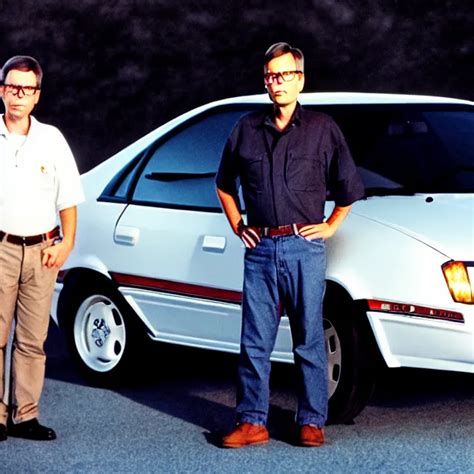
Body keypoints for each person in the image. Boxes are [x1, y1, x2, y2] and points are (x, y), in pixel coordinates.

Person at [216, 42, 364, 448]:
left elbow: (349, 187)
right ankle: (252, 421)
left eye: (284, 75)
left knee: (309, 338)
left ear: (300, 79)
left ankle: (312, 421)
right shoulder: (246, 129)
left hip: (303, 249)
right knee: (254, 341)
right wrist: (237, 224)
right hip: (261, 249)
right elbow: (224, 185)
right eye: (270, 76)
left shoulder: (322, 129)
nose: (276, 83)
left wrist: (331, 225)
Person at [0, 56, 84, 441]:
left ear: (37, 96)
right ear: (2, 90)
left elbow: (68, 196)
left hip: (42, 251)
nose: (19, 95)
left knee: (33, 339)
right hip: (0, 249)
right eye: (12, 87)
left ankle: (25, 416)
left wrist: (66, 243)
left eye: (27, 89)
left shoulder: (51, 139)